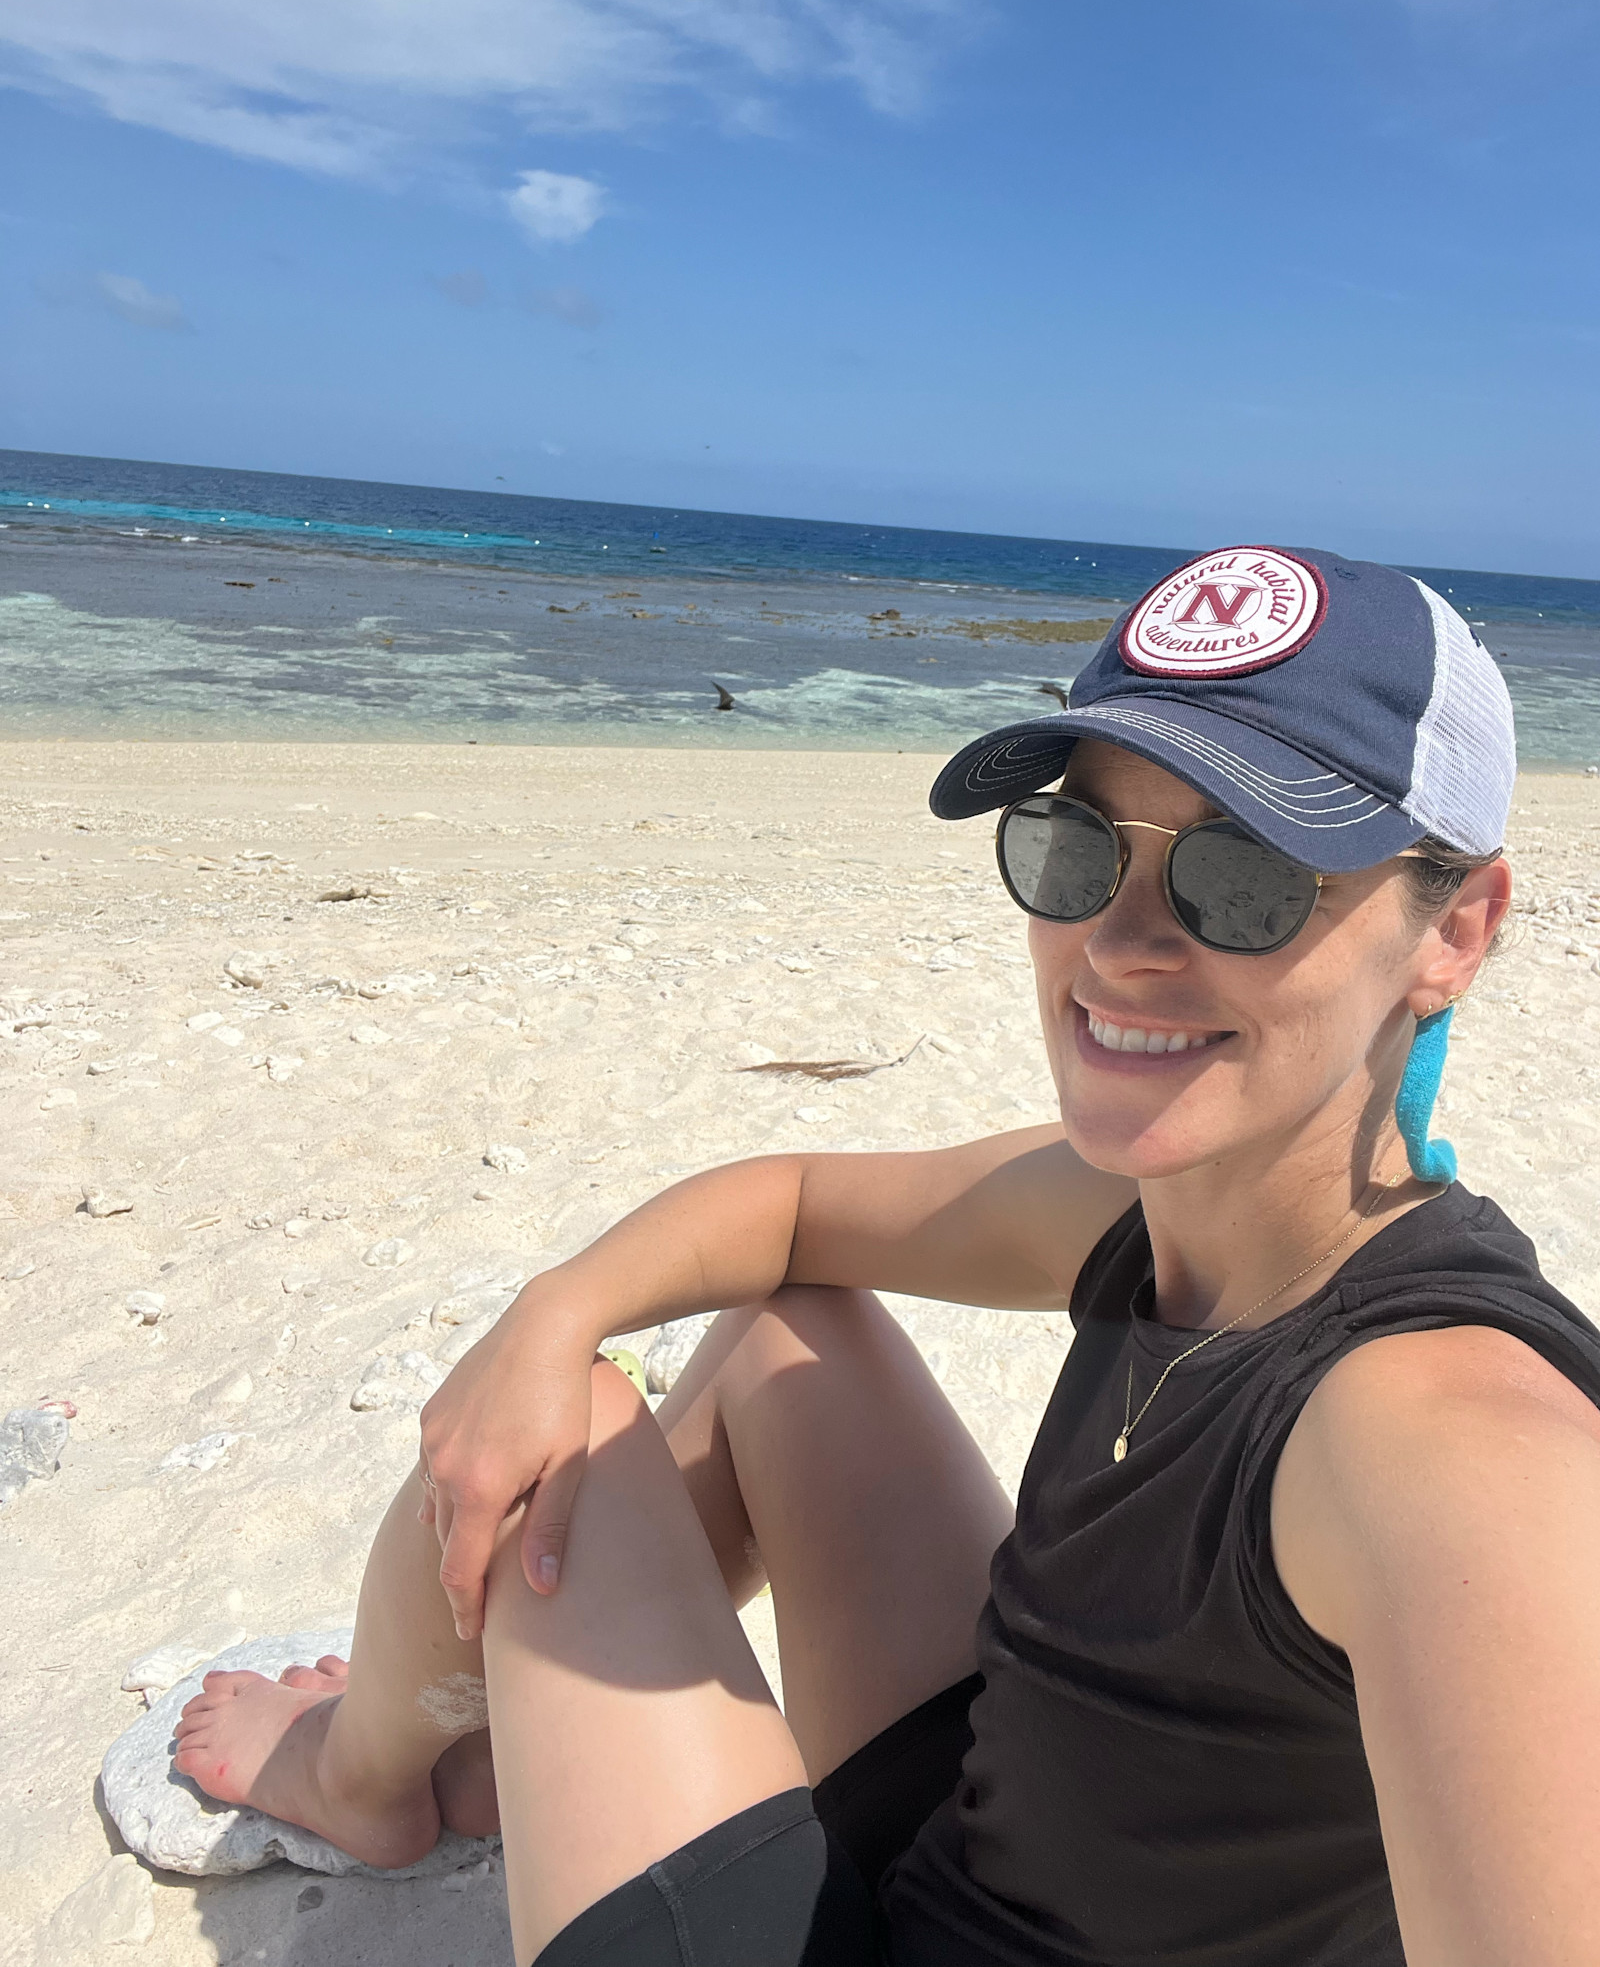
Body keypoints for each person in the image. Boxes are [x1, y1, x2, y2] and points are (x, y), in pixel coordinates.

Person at [174, 546, 1600, 1967]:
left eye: (1247, 876)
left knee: (576, 1444)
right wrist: (553, 1311)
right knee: (784, 1334)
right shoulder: (1160, 1209)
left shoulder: (1453, 1447)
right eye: (1079, 846)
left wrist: (560, 1372)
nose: (1120, 943)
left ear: (1456, 929)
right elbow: (795, 1206)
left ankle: (360, 1781)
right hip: (999, 1841)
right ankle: (520, 1733)